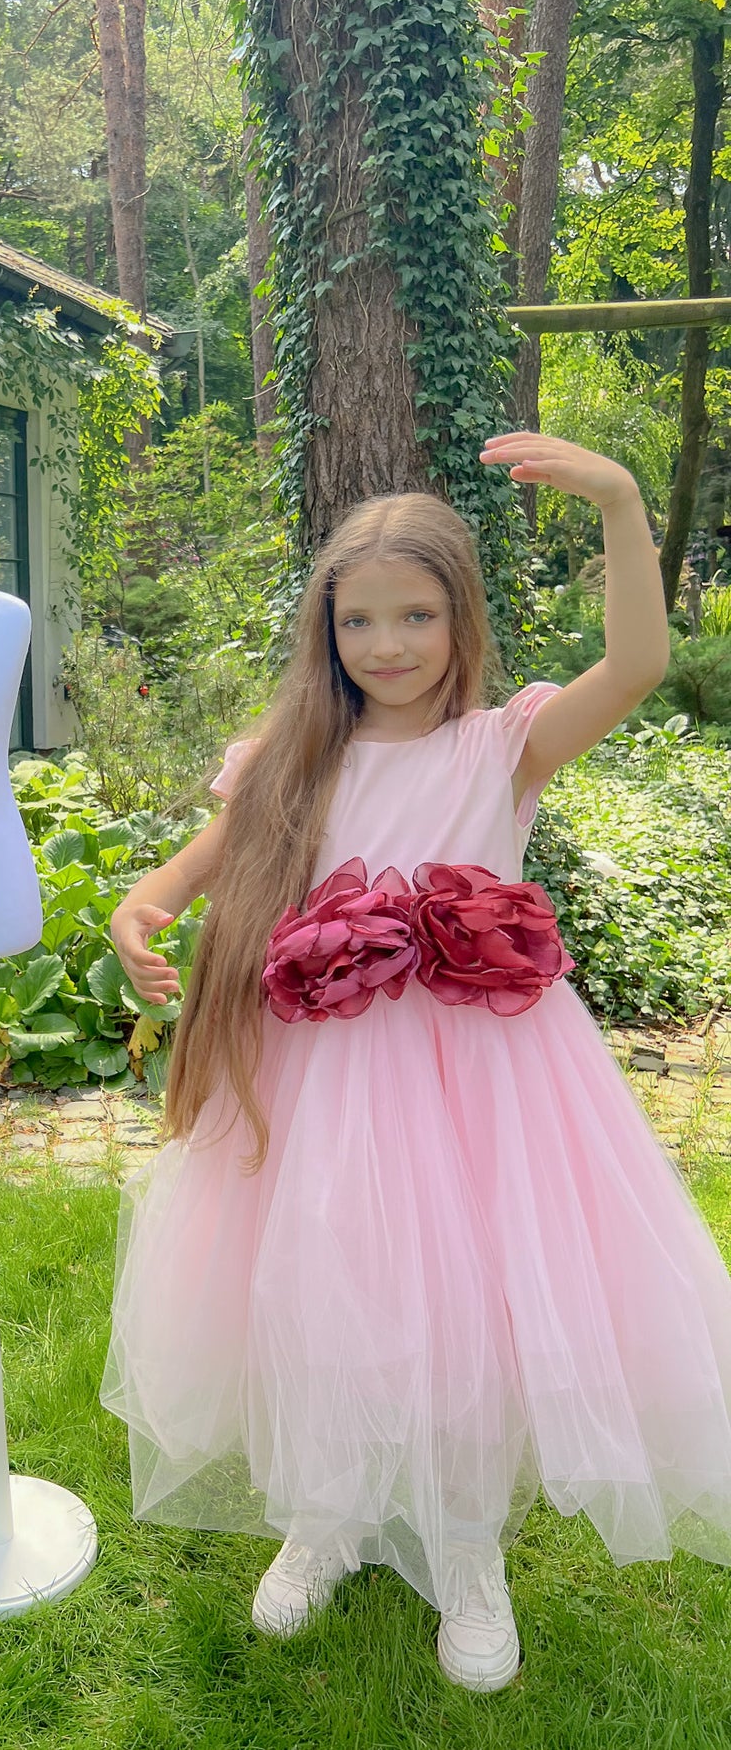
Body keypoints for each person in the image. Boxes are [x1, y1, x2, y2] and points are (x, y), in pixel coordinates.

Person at [102, 434, 731, 1692]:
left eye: (415, 616)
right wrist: (141, 913)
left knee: (466, 1312)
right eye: (358, 622)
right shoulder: (294, 750)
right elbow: (204, 861)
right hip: (322, 1069)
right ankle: (329, 1511)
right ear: (323, 629)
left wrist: (615, 499)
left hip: (480, 1081)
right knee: (324, 1283)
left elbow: (638, 663)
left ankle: (462, 1544)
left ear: (459, 618)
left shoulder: (503, 744)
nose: (385, 645)